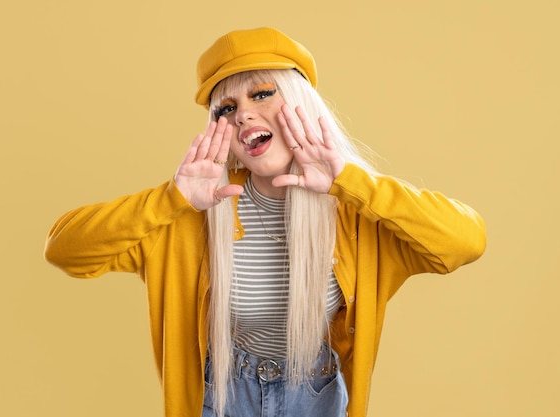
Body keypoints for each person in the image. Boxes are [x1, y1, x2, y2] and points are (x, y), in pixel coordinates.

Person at [44, 27, 486, 417]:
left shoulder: (354, 213)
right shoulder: (195, 213)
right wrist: (172, 198)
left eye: (261, 94)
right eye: (226, 108)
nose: (243, 115)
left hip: (315, 395)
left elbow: (464, 242)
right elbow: (65, 249)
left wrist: (352, 182)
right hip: (221, 395)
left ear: (298, 104)